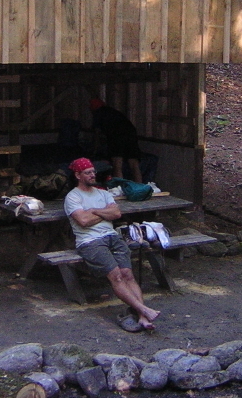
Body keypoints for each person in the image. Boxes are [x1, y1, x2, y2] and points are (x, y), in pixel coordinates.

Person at [64, 157, 160, 330]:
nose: (93, 175)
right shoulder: (73, 197)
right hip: (90, 241)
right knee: (115, 275)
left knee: (127, 274)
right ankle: (143, 310)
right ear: (78, 175)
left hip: (112, 236)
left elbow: (116, 214)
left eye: (93, 171)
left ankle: (142, 317)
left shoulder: (104, 193)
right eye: (88, 173)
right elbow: (83, 221)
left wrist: (93, 211)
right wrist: (103, 214)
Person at [89, 98, 143, 183]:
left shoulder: (98, 113)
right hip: (131, 133)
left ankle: (119, 188)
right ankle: (140, 187)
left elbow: (97, 134)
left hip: (117, 135)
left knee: (117, 164)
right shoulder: (113, 112)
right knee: (134, 164)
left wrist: (94, 150)